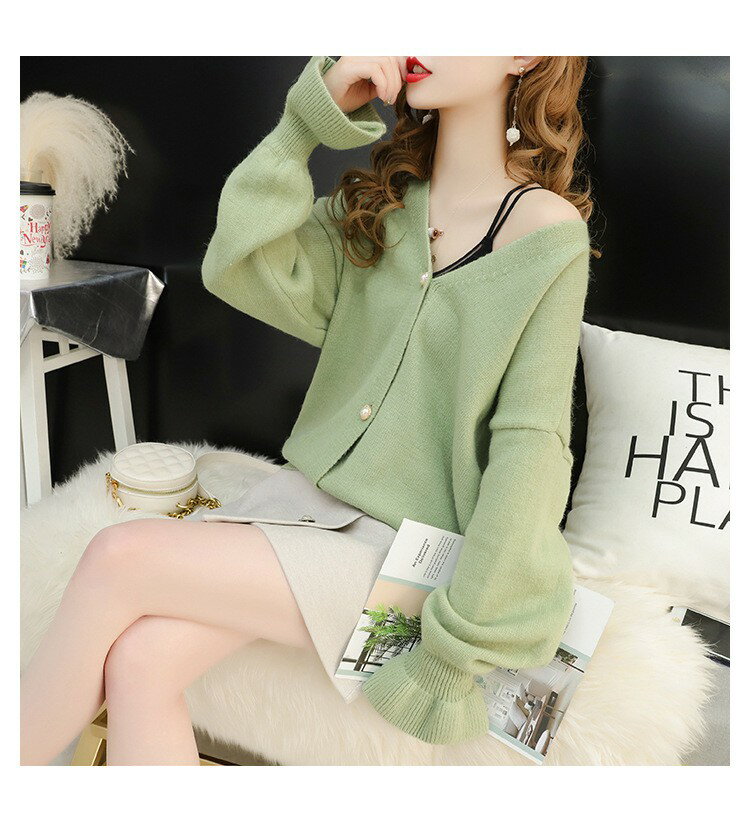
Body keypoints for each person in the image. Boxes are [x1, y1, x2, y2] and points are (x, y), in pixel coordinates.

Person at [20, 55, 594, 765]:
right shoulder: (384, 207)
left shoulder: (545, 233)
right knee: (141, 661)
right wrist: (303, 124)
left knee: (118, 555)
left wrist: (456, 650)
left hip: (415, 559)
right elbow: (240, 264)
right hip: (308, 510)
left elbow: (530, 446)